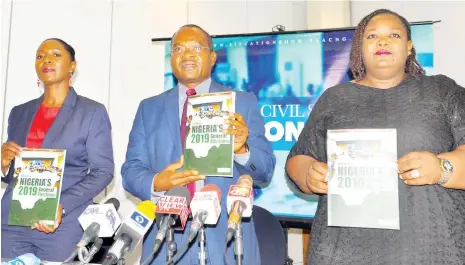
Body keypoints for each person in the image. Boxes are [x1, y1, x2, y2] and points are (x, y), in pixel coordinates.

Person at [286, 9, 465, 265]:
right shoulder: (334, 99)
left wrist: (442, 168)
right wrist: (308, 174)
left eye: (394, 34)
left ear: (409, 46)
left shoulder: (441, 90)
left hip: (431, 247)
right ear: (360, 47)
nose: (383, 41)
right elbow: (298, 157)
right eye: (372, 36)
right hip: (344, 250)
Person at [122, 24, 275, 265]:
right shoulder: (148, 108)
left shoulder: (242, 103)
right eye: (179, 49)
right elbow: (131, 171)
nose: (187, 54)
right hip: (165, 237)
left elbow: (265, 171)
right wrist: (157, 182)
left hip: (227, 239)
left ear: (212, 57)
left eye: (196, 48)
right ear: (171, 58)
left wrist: (242, 150)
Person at [1, 38, 114, 261]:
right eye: (40, 56)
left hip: (63, 224)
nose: (47, 60)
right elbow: (16, 174)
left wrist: (62, 206)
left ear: (72, 66)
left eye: (56, 54)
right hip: (12, 224)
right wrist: (4, 165)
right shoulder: (19, 112)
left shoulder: (91, 112)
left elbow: (103, 171)